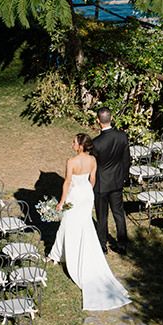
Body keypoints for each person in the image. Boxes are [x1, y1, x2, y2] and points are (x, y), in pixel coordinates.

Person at [48, 134, 130, 312]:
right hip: (87, 193)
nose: (72, 144)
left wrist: (61, 201)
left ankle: (60, 255)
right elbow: (92, 179)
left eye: (74, 142)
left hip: (76, 194)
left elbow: (67, 183)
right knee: (83, 224)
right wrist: (86, 191)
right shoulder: (93, 160)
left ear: (80, 146)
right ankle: (57, 254)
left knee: (68, 223)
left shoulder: (71, 161)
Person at [90, 105, 131, 256]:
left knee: (102, 216)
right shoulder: (122, 136)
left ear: (98, 121)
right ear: (111, 118)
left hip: (101, 184)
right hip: (117, 181)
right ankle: (122, 244)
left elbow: (92, 166)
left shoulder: (96, 143)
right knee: (119, 213)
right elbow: (126, 160)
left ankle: (102, 245)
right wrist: (124, 177)